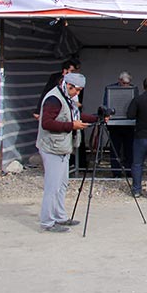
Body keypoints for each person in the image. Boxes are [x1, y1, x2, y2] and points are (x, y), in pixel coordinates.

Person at [37, 73, 98, 232]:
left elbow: (75, 115)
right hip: (51, 148)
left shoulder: (66, 97)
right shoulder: (53, 99)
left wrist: (95, 118)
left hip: (61, 148)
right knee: (52, 187)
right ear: (68, 85)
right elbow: (46, 123)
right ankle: (47, 222)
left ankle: (60, 217)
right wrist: (72, 126)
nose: (77, 93)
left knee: (62, 184)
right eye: (76, 90)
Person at [103, 71, 136, 178]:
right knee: (115, 148)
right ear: (119, 81)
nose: (126, 86)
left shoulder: (134, 89)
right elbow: (106, 104)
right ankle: (116, 172)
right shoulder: (110, 89)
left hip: (129, 124)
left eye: (128, 83)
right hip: (115, 124)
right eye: (124, 83)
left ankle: (129, 170)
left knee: (129, 149)